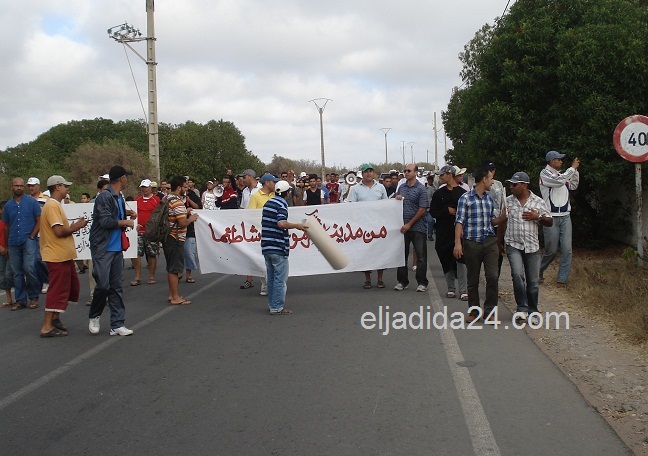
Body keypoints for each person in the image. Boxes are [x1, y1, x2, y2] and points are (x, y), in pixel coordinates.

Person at [88, 166, 137, 336]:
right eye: (126, 177)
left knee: (116, 287)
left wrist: (128, 213)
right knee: (102, 285)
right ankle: (94, 314)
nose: (127, 180)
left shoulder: (119, 197)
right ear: (122, 178)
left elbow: (116, 215)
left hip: (116, 247)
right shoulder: (104, 196)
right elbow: (106, 221)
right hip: (103, 247)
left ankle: (117, 323)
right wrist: (125, 222)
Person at [453, 168, 507, 323]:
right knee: (473, 278)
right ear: (484, 179)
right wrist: (458, 243)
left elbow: (491, 221)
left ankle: (490, 311)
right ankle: (474, 311)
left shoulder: (489, 200)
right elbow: (459, 221)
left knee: (492, 276)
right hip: (472, 242)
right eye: (490, 179)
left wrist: (502, 218)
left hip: (489, 241)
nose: (492, 182)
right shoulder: (465, 199)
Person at [498, 172, 552, 324]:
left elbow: (550, 221)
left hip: (532, 246)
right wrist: (499, 241)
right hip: (513, 244)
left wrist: (538, 217)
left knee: (533, 281)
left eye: (514, 185)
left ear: (524, 185)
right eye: (510, 184)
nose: (511, 187)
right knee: (517, 275)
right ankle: (521, 308)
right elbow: (502, 222)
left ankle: (533, 310)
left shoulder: (538, 202)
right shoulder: (508, 201)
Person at [38, 176, 89, 337]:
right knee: (56, 290)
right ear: (57, 187)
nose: (67, 189)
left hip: (63, 255)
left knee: (70, 288)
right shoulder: (52, 205)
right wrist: (77, 226)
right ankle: (46, 325)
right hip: (56, 255)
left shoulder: (55, 205)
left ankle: (55, 319)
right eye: (65, 186)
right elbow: (59, 231)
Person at [261, 180, 308, 315]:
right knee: (280, 279)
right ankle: (277, 307)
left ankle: (272, 304)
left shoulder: (268, 203)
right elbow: (281, 223)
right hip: (278, 246)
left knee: (271, 278)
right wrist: (297, 226)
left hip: (267, 246)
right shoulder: (282, 204)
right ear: (287, 193)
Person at [539, 150, 580, 286]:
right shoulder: (544, 174)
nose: (561, 161)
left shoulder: (561, 175)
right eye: (559, 159)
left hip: (565, 216)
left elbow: (573, 185)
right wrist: (572, 168)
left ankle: (562, 280)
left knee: (567, 250)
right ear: (552, 161)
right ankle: (538, 271)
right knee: (551, 251)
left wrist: (574, 172)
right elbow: (558, 182)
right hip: (550, 217)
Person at [347, 164, 389, 288]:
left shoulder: (380, 187)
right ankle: (367, 279)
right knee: (366, 253)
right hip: (363, 226)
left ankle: (380, 279)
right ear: (362, 174)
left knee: (380, 252)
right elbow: (351, 206)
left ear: (373, 173)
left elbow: (386, 205)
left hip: (378, 225)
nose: (369, 174)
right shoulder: (355, 189)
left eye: (371, 171)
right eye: (366, 172)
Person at [3, 177, 42, 311]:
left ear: (23, 187)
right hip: (13, 241)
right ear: (12, 187)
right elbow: (6, 226)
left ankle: (33, 296)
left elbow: (39, 220)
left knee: (29, 268)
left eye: (21, 185)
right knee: (17, 272)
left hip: (28, 240)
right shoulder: (8, 205)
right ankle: (20, 300)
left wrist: (32, 236)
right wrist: (7, 244)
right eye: (16, 186)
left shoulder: (31, 202)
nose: (19, 188)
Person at [430, 165, 468, 300]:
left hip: (460, 233)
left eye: (442, 175)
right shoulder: (438, 194)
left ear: (450, 174)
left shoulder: (463, 193)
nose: (440, 177)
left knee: (461, 260)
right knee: (446, 259)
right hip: (443, 232)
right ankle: (450, 287)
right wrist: (447, 211)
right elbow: (433, 211)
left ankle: (463, 289)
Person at [163, 176, 199, 305]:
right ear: (178, 188)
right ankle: (175, 297)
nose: (186, 189)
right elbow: (182, 222)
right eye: (184, 186)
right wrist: (191, 218)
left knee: (171, 267)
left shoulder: (166, 198)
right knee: (175, 269)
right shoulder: (177, 202)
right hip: (175, 237)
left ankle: (173, 294)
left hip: (167, 236)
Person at [394, 164, 429, 292]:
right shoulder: (401, 188)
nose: (406, 173)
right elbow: (395, 205)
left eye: (409, 171)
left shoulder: (421, 189)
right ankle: (402, 281)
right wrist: (396, 199)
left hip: (417, 227)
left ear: (416, 172)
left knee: (420, 256)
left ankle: (422, 282)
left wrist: (410, 224)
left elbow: (422, 209)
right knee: (402, 255)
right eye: (405, 171)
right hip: (402, 227)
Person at [248, 173, 279, 296]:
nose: (275, 184)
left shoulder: (275, 195)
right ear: (267, 183)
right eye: (273, 182)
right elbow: (251, 214)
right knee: (263, 259)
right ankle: (265, 284)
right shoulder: (255, 196)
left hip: (275, 231)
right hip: (261, 232)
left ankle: (273, 284)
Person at [131, 179, 160, 286]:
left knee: (151, 253)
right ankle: (137, 276)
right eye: (142, 187)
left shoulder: (156, 200)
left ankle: (151, 276)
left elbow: (159, 215)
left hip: (151, 231)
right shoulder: (137, 199)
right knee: (136, 254)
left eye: (145, 187)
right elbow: (133, 213)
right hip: (139, 230)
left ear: (150, 188)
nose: (144, 189)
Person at [483, 161, 506, 276]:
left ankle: (494, 281)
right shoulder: (481, 184)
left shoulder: (499, 184)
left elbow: (503, 201)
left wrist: (503, 216)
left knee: (498, 252)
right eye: (489, 169)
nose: (492, 172)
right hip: (485, 223)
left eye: (493, 169)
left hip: (498, 223)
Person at [184, 183, 202, 284]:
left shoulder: (193, 196)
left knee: (189, 252)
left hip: (190, 229)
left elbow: (199, 207)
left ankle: (188, 274)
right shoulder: (175, 199)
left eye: (187, 187)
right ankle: (177, 273)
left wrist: (189, 201)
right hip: (177, 229)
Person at [0, 201, 14, 308]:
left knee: (11, 274)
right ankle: (9, 299)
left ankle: (19, 297)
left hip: (12, 250)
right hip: (1, 251)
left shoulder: (11, 221)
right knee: (3, 275)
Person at [425, 174, 437, 241]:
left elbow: (435, 197)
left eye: (431, 181)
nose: (430, 182)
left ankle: (429, 235)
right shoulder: (424, 188)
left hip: (430, 208)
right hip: (422, 208)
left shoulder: (433, 188)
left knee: (430, 221)